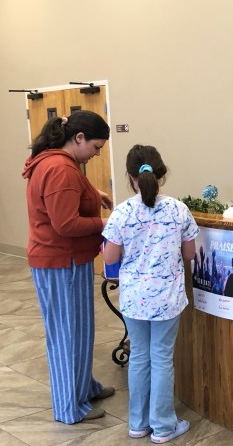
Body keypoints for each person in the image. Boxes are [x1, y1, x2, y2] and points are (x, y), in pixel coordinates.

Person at [22, 111, 115, 424]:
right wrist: (106, 223)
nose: (97, 153)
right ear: (78, 138)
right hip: (60, 262)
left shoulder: (61, 163)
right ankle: (68, 408)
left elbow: (65, 198)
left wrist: (94, 194)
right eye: (96, 147)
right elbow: (66, 224)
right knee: (66, 335)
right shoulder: (59, 168)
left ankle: (84, 388)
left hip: (70, 260)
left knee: (80, 330)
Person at [102, 145, 199, 443]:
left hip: (134, 300)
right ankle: (164, 426)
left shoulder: (122, 212)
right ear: (161, 174)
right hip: (166, 300)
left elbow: (109, 258)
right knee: (161, 358)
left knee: (139, 357)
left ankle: (138, 424)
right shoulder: (178, 209)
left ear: (130, 176)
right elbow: (189, 254)